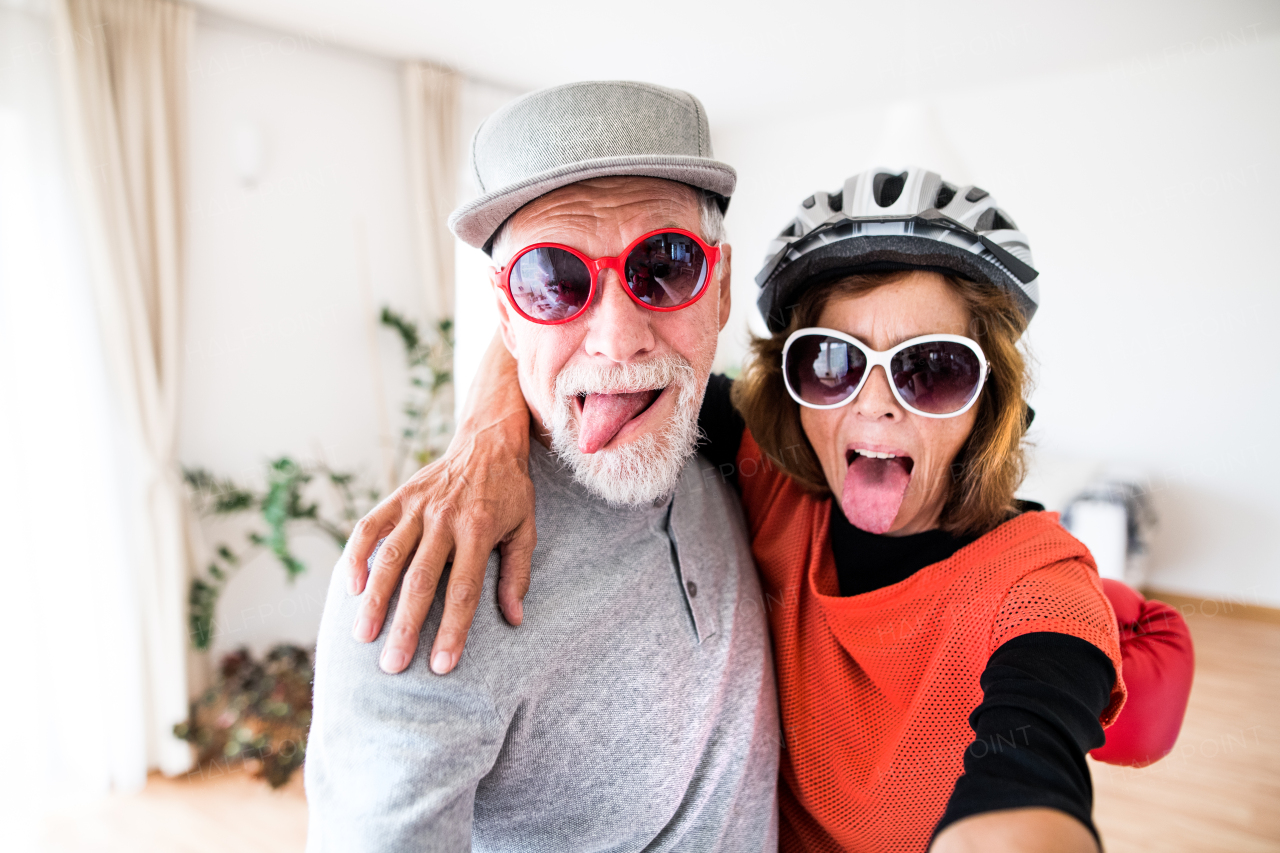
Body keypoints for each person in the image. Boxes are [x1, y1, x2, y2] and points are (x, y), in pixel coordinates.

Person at [343, 165, 1196, 852]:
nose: (876, 405)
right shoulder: (774, 483)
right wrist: (485, 439)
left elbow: (1030, 768)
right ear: (790, 388)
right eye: (832, 361)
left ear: (988, 399)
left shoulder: (1038, 586)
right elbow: (576, 331)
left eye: (931, 368)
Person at [304, 81, 781, 852]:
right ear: (505, 313)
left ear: (720, 289)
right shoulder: (421, 582)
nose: (618, 339)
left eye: (663, 266)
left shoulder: (731, 442)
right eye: (553, 282)